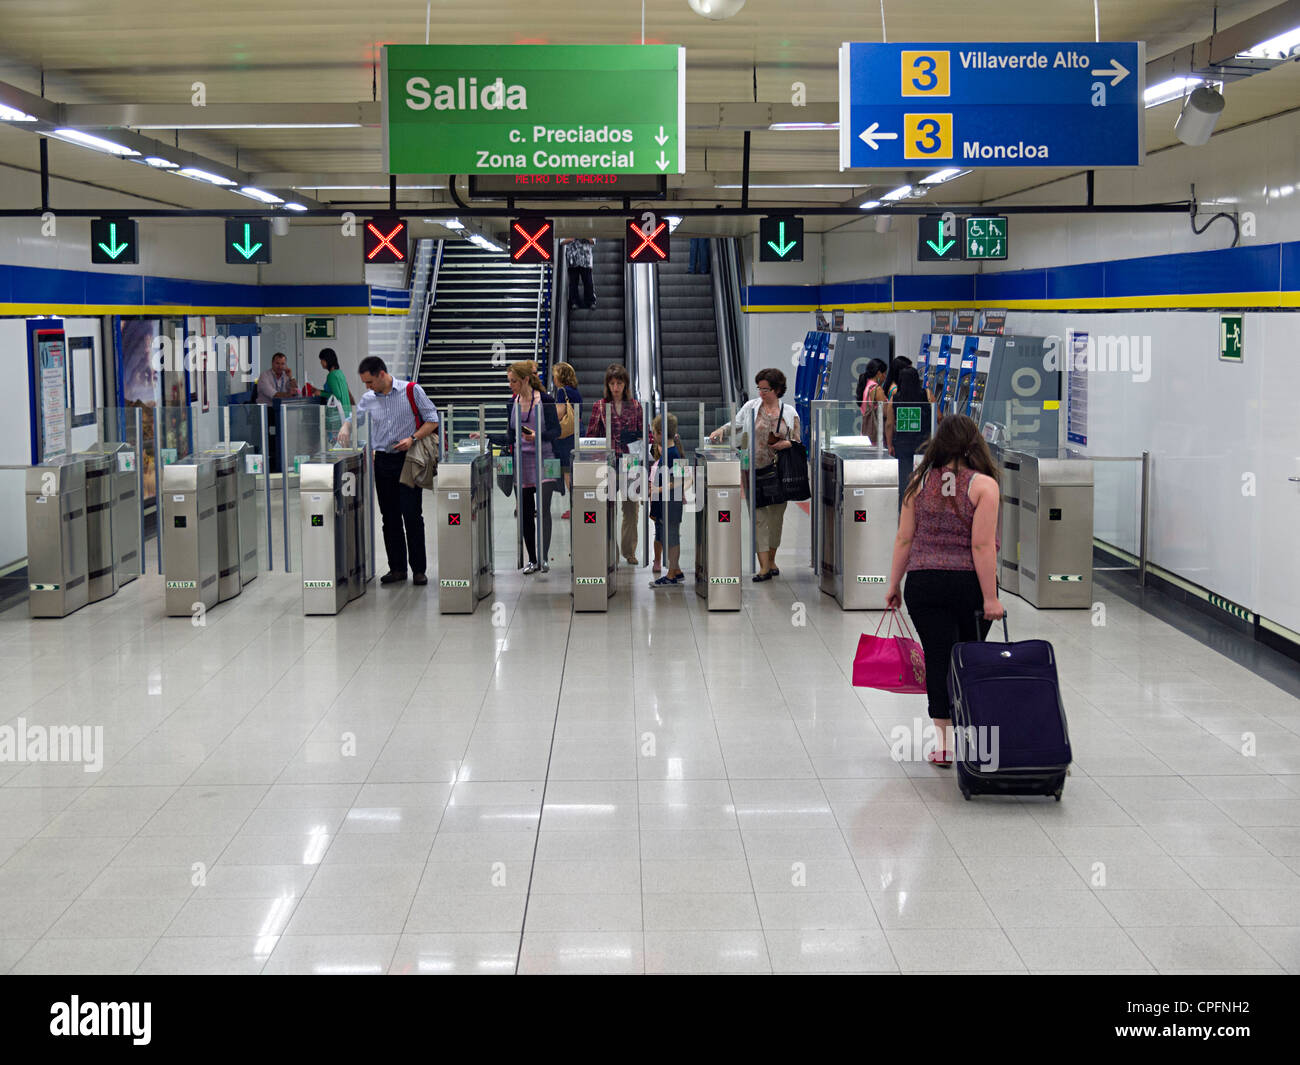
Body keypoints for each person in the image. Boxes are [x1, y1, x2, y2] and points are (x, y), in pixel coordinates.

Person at [884, 415, 1004, 768]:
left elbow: (904, 537)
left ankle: (943, 744)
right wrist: (991, 598)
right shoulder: (984, 486)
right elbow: (982, 547)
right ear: (974, 445)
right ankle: (972, 733)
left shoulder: (918, 481)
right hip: (968, 585)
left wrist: (893, 584)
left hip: (924, 583)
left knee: (938, 657)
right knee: (968, 657)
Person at [343, 356, 438, 586]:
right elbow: (354, 418)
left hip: (409, 459)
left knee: (412, 515)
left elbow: (432, 419)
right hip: (383, 461)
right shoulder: (368, 398)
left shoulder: (411, 391)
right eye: (365, 383)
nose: (367, 387)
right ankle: (397, 568)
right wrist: (345, 427)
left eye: (369, 382)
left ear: (382, 375)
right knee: (389, 517)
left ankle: (418, 570)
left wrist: (412, 438)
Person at [708, 368, 801, 582]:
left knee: (776, 518)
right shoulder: (751, 407)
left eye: (766, 389)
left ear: (777, 389)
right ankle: (764, 566)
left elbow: (797, 441)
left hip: (779, 472)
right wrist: (721, 430)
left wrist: (782, 443)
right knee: (759, 519)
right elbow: (737, 424)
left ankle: (771, 559)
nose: (761, 393)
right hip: (753, 471)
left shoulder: (790, 412)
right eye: (759, 388)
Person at [488, 361, 560, 574]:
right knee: (526, 512)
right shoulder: (512, 403)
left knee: (544, 510)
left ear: (526, 379)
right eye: (509, 381)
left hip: (546, 458)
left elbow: (555, 431)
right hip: (522, 461)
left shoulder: (545, 400)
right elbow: (511, 435)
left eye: (514, 381)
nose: (511, 385)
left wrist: (537, 436)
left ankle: (545, 557)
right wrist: (488, 435)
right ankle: (532, 559)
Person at [586, 363, 643, 566]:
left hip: (630, 464)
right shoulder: (600, 406)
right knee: (607, 508)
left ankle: (629, 551)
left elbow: (643, 434)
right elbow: (591, 435)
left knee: (630, 511)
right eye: (612, 383)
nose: (616, 387)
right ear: (607, 385)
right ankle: (611, 549)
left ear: (625, 384)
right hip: (607, 464)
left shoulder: (635, 406)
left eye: (619, 383)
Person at [886, 366, 937, 511]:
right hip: (924, 445)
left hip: (903, 446)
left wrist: (890, 445)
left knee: (905, 479)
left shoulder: (894, 399)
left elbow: (889, 424)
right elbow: (938, 416)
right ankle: (924, 507)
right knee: (924, 478)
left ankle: (906, 509)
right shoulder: (926, 394)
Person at [648, 411, 684, 586]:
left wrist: (657, 489)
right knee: (671, 536)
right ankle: (676, 570)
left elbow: (678, 481)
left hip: (671, 502)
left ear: (661, 433)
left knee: (672, 538)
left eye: (654, 432)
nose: (653, 436)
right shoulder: (670, 452)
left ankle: (671, 574)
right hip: (669, 502)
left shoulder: (672, 454)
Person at [551, 362, 582, 521]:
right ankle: (576, 505)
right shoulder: (575, 391)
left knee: (568, 472)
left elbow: (559, 412)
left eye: (555, 374)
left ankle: (574, 506)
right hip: (577, 432)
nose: (553, 378)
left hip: (566, 436)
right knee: (573, 470)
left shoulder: (562, 391)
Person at [318, 347, 353, 435]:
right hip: (346, 413)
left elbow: (337, 396)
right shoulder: (339, 373)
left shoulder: (331, 375)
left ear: (326, 360)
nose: (321, 363)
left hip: (337, 416)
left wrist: (320, 393)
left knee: (335, 445)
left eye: (321, 360)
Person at [859, 357, 888, 444]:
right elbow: (886, 412)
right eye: (884, 374)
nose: (885, 377)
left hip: (866, 433)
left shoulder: (866, 386)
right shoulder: (877, 389)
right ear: (879, 373)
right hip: (876, 436)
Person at [563, 238, 595, 310]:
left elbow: (593, 241)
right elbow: (562, 242)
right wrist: (572, 238)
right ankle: (574, 302)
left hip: (585, 260)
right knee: (573, 283)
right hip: (572, 260)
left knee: (588, 282)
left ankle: (590, 302)